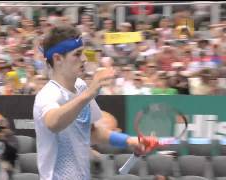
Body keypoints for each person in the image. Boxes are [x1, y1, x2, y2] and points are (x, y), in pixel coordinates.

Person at [33, 25, 158, 180]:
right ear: (58, 58)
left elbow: (91, 132)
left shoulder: (80, 87)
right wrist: (88, 95)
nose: (84, 59)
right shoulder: (47, 95)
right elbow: (53, 123)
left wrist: (128, 141)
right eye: (77, 54)